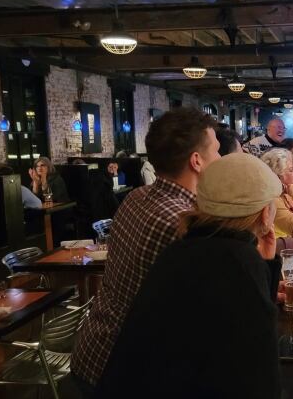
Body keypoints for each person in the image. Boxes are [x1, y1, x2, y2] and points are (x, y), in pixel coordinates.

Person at [95, 154, 284, 398]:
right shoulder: (238, 262)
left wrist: (266, 264)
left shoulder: (182, 249)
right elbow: (259, 375)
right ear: (264, 214)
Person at [71, 108, 221, 393]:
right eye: (217, 150)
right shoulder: (184, 222)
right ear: (197, 161)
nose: (222, 159)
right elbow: (209, 312)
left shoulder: (137, 197)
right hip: (126, 372)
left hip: (92, 350)